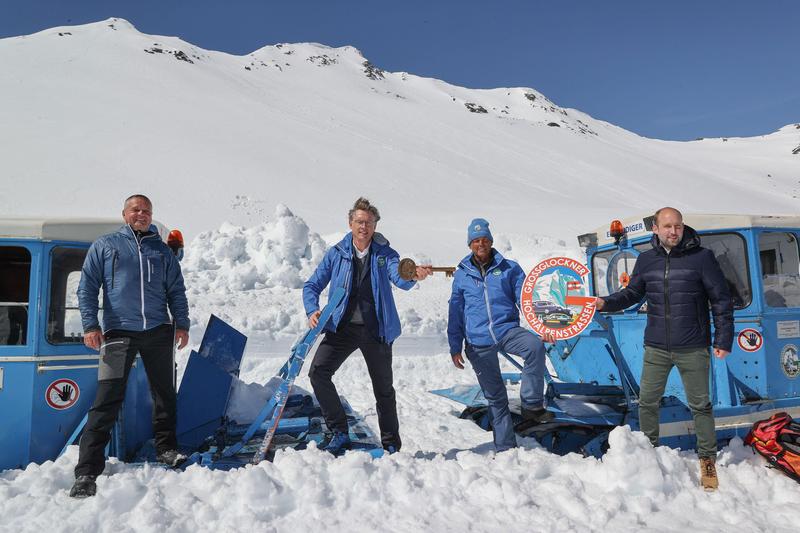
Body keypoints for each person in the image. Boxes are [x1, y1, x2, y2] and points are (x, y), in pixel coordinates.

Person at [595, 207, 733, 491]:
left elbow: (721, 300)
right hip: (657, 346)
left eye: (678, 226)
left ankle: (707, 459)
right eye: (668, 226)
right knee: (647, 402)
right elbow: (632, 294)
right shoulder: (647, 260)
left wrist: (723, 340)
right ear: (656, 229)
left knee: (701, 405)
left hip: (693, 346)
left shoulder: (702, 258)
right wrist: (605, 303)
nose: (674, 231)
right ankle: (650, 452)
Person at [70, 194, 190, 498]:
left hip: (158, 331)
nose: (142, 214)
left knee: (164, 393)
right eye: (136, 209)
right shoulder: (105, 245)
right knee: (107, 398)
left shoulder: (162, 251)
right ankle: (87, 471)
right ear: (124, 214)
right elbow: (87, 287)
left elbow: (176, 290)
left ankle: (167, 449)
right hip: (118, 332)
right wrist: (90, 325)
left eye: (146, 210)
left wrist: (182, 324)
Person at [303, 197, 430, 455]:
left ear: (375, 226)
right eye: (360, 222)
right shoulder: (337, 253)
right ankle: (339, 431)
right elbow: (312, 285)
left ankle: (391, 443)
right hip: (342, 328)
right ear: (350, 223)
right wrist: (312, 309)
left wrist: (413, 276)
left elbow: (399, 277)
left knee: (383, 390)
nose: (364, 227)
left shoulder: (385, 254)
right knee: (318, 372)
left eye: (369, 222)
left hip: (376, 329)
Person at [447, 218, 555, 453]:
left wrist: (543, 326)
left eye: (485, 239)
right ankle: (506, 448)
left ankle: (531, 405)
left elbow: (527, 300)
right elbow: (455, 312)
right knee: (496, 397)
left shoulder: (509, 268)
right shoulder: (462, 275)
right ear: (470, 244)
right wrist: (455, 345)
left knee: (534, 346)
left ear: (491, 241)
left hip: (507, 330)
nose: (481, 244)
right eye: (476, 240)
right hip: (477, 341)